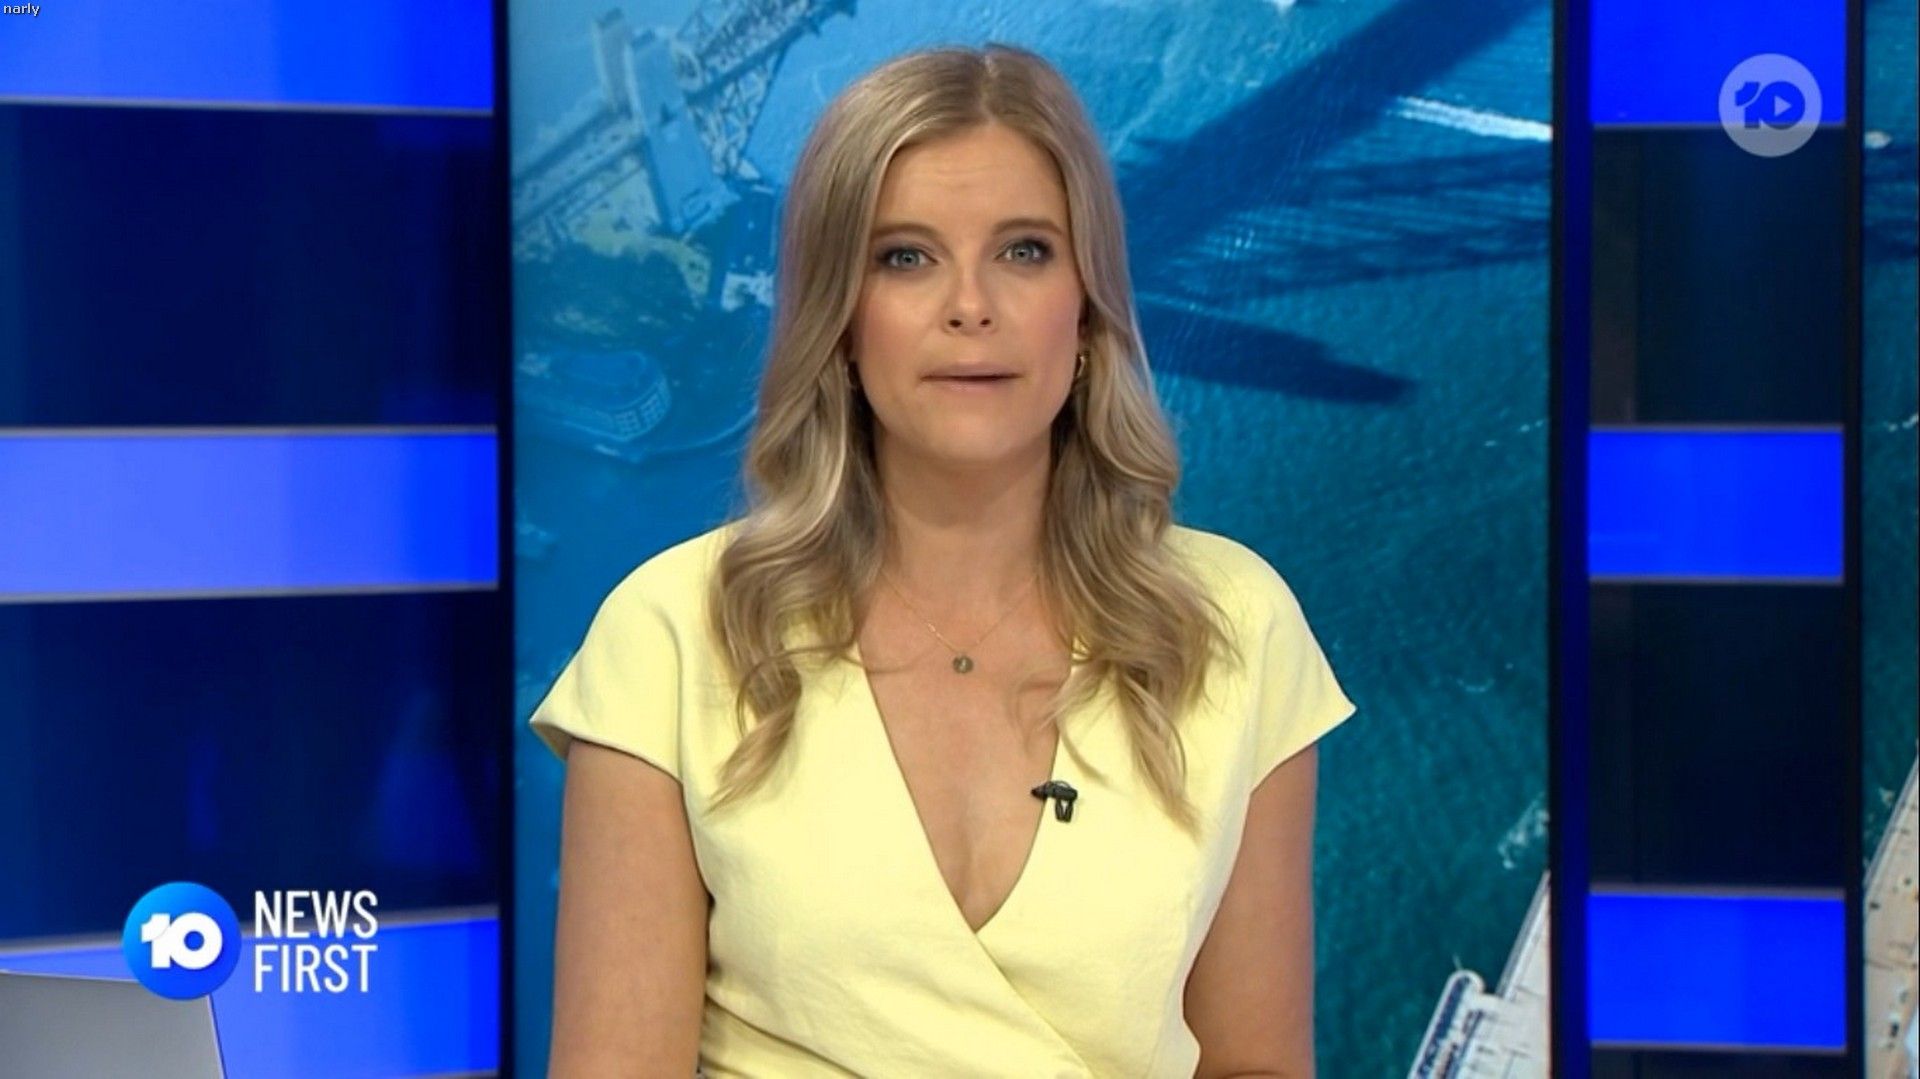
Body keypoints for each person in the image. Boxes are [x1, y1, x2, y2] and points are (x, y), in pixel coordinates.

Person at [531, 43, 1355, 1078]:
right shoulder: (671, 633)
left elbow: (1255, 1064)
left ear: (1088, 307)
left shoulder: (1235, 622)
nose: (971, 305)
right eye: (905, 258)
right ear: (839, 321)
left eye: (1024, 251)